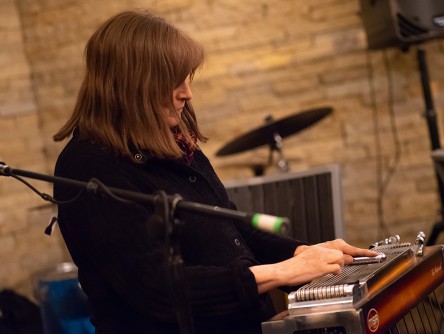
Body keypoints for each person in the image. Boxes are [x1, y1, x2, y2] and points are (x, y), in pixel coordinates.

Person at [52, 9, 378, 334]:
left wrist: (303, 252)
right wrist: (282, 272)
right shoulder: (87, 166)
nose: (186, 93)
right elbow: (157, 289)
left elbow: (230, 227)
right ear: (131, 84)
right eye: (172, 81)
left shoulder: (171, 141)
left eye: (186, 78)